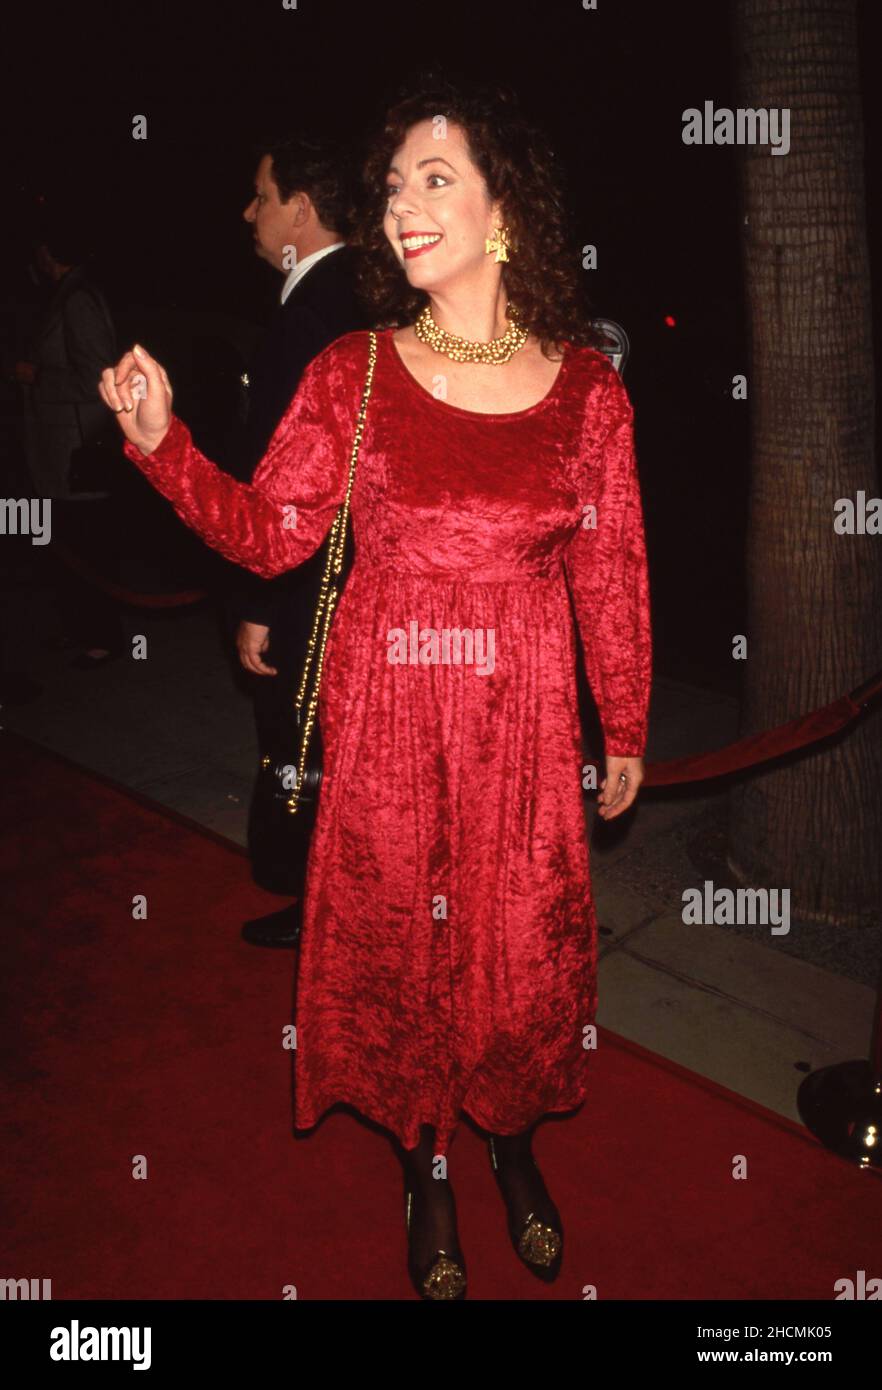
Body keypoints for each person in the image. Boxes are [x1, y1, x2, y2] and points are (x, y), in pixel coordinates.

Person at [100, 77, 652, 1301]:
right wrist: (163, 444)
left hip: (523, 731)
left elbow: (613, 570)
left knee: (515, 952)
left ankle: (510, 1144)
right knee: (405, 952)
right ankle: (428, 1169)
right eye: (394, 183)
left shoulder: (589, 392)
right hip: (391, 728)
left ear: (507, 210)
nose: (404, 202)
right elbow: (271, 535)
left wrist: (626, 719)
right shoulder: (352, 373)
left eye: (436, 178)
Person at [233, 134, 369, 948]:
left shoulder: (312, 313)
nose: (249, 212)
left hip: (314, 578)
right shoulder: (366, 292)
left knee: (303, 741)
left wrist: (259, 602)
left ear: (302, 211)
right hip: (355, 568)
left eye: (261, 196)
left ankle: (323, 907)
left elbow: (287, 483)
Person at [18, 222, 123, 667]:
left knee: (85, 547)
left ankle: (101, 639)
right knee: (69, 544)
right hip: (60, 448)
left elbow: (96, 374)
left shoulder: (78, 299)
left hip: (77, 450)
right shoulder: (67, 293)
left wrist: (36, 376)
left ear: (49, 251)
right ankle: (83, 632)